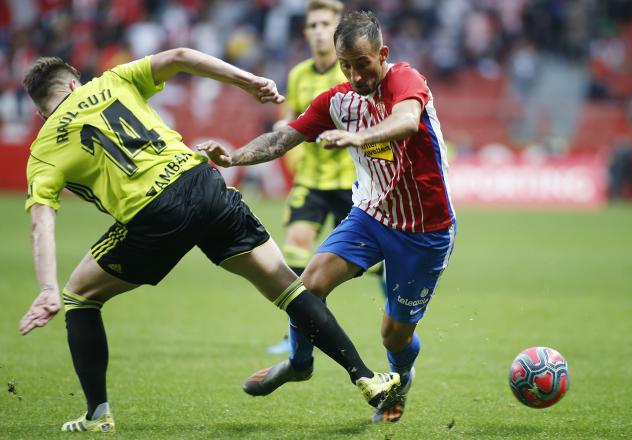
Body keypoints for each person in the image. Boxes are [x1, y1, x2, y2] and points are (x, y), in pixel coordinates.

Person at [18, 48, 401, 433]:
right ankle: (366, 377)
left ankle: (97, 415)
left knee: (79, 295)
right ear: (73, 83)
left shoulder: (44, 150)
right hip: (202, 182)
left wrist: (48, 287)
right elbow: (182, 55)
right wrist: (247, 81)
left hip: (153, 215)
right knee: (288, 286)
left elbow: (41, 223)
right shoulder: (112, 80)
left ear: (40, 112)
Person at [198, 11, 456, 424]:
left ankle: (400, 377)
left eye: (362, 63)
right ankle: (300, 363)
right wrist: (234, 157)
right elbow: (284, 137)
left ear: (382, 54)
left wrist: (359, 137)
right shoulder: (338, 101)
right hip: (371, 216)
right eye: (345, 65)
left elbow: (407, 122)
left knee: (394, 334)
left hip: (425, 230)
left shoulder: (407, 79)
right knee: (309, 284)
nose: (354, 75)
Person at [265, 0, 385, 356]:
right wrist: (283, 125)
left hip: (353, 182)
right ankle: (300, 332)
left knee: (378, 263)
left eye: (325, 24)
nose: (318, 31)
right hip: (312, 180)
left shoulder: (352, 72)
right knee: (296, 247)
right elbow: (290, 116)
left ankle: (395, 317)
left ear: (336, 32)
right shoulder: (299, 73)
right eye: (313, 24)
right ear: (306, 31)